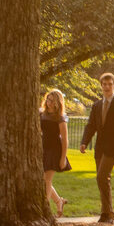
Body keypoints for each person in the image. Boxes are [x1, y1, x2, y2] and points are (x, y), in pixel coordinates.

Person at [79, 72, 114, 222]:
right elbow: (91, 126)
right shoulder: (97, 105)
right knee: (103, 180)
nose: (107, 87)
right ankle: (106, 214)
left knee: (101, 176)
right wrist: (84, 141)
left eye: (110, 84)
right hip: (100, 148)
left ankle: (108, 212)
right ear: (101, 86)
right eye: (104, 84)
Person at [39, 88, 71, 216]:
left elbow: (65, 139)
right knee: (43, 179)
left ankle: (45, 209)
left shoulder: (60, 118)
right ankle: (59, 201)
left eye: (52, 101)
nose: (49, 102)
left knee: (47, 179)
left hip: (55, 150)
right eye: (48, 99)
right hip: (43, 148)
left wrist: (63, 158)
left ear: (58, 102)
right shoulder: (41, 114)